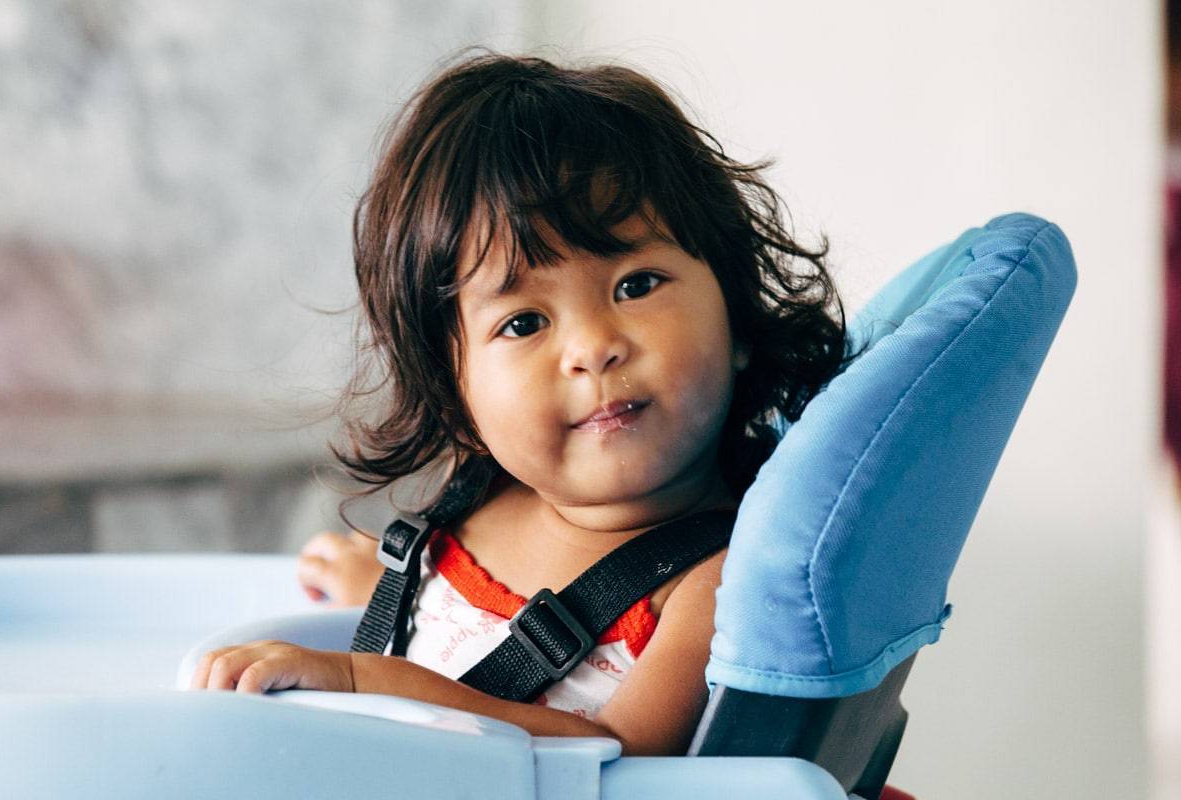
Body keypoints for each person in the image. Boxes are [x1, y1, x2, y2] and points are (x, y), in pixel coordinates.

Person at [189, 51, 856, 757]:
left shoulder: (717, 581)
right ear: (456, 395)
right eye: (524, 323)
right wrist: (385, 596)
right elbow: (463, 634)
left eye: (636, 284)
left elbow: (617, 756)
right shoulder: (480, 497)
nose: (593, 347)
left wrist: (364, 679)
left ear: (738, 315)